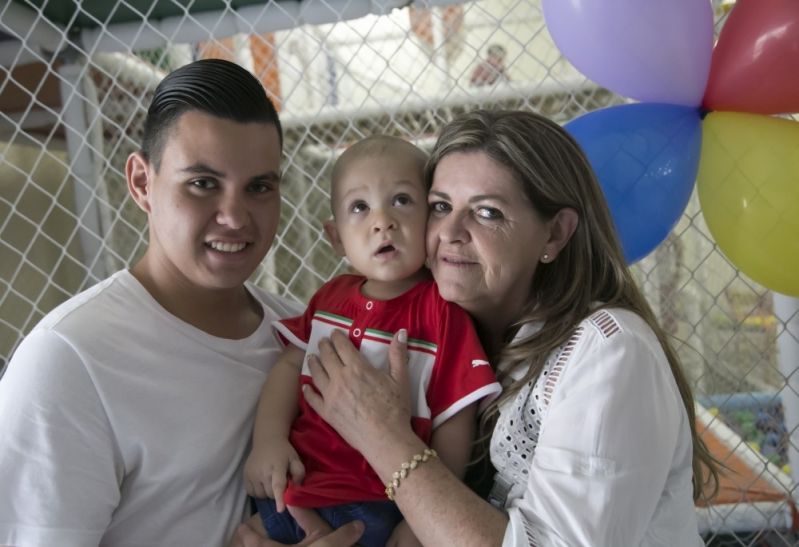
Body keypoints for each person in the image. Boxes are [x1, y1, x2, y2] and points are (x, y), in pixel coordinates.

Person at [237, 109, 720, 547]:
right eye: (442, 206)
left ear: (554, 233)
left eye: (487, 212)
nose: (449, 232)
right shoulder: (450, 331)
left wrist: (385, 438)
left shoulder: (607, 350)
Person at [0, 58, 363, 547]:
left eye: (259, 187)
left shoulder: (297, 332)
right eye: (203, 184)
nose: (235, 217)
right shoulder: (69, 359)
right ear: (142, 183)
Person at [243, 136, 501, 547]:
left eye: (401, 200)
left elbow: (455, 420)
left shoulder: (443, 311)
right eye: (360, 207)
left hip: (382, 501)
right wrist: (268, 440)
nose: (382, 221)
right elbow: (290, 367)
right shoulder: (329, 298)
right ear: (337, 237)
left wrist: (420, 522)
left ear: (433, 219)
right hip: (297, 488)